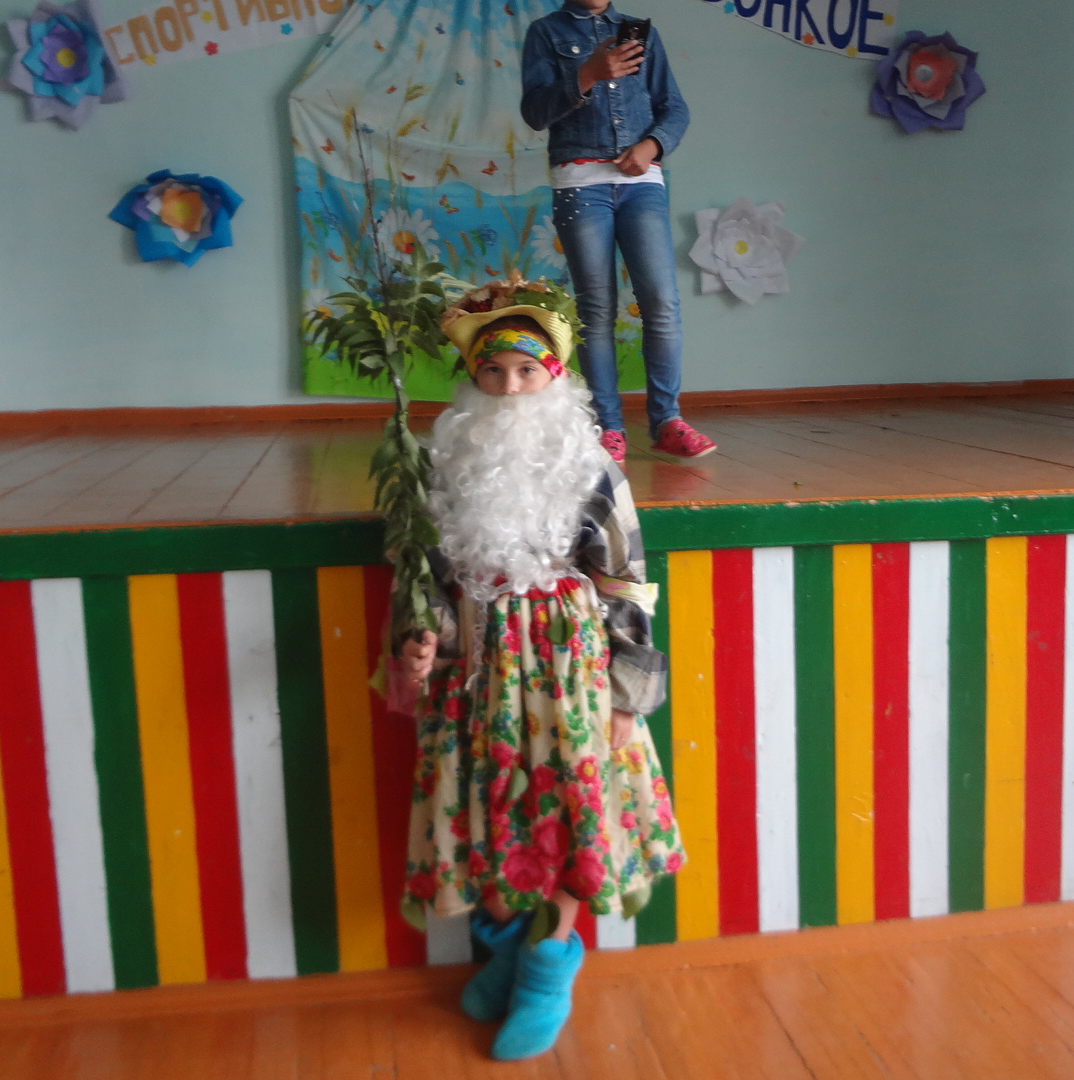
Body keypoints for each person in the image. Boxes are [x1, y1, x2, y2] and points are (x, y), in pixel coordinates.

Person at [393, 289, 683, 1061]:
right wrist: (426, 639)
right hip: (480, 669)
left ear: (555, 374)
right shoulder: (444, 466)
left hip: (567, 670)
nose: (511, 387)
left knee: (568, 806)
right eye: (493, 372)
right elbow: (431, 581)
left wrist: (625, 695)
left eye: (527, 370)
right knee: (489, 809)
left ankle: (547, 968)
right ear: (471, 379)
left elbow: (626, 582)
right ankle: (509, 956)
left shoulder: (589, 467)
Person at [519, 0, 716, 464]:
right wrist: (587, 74)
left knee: (661, 302)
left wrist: (652, 144)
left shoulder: (640, 32)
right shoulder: (545, 32)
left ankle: (666, 421)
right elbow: (535, 112)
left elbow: (674, 108)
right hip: (578, 182)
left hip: (641, 183)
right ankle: (608, 426)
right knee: (596, 309)